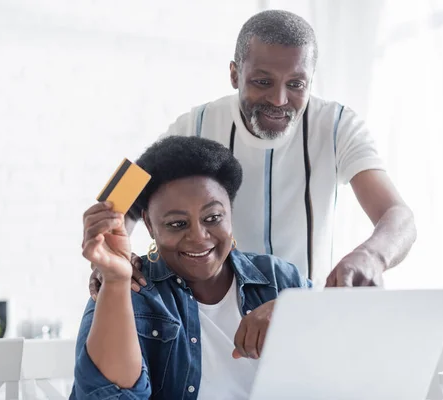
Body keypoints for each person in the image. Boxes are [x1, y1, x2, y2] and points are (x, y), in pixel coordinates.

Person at [87, 9, 416, 295]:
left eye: (296, 84)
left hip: (303, 313)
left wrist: (372, 255)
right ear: (234, 74)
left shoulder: (337, 124)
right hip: (214, 323)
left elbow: (399, 217)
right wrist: (113, 253)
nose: (279, 99)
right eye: (263, 82)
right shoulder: (196, 123)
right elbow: (119, 197)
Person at [71, 136, 310, 400]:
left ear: (230, 212)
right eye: (177, 224)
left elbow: (349, 354)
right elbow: (105, 397)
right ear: (149, 226)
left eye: (212, 218)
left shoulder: (280, 280)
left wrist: (295, 313)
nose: (198, 237)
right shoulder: (130, 292)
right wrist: (115, 280)